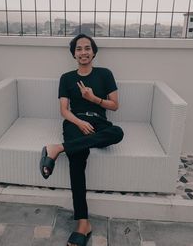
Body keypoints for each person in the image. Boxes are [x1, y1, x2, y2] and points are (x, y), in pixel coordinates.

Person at [39, 33, 124, 246]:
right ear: (73, 53)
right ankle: (83, 223)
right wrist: (79, 122)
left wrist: (93, 98)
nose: (83, 52)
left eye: (87, 48)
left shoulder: (105, 74)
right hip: (75, 123)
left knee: (117, 132)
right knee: (77, 157)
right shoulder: (66, 78)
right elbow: (64, 110)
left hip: (99, 123)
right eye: (79, 49)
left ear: (93, 52)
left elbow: (114, 105)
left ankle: (57, 148)